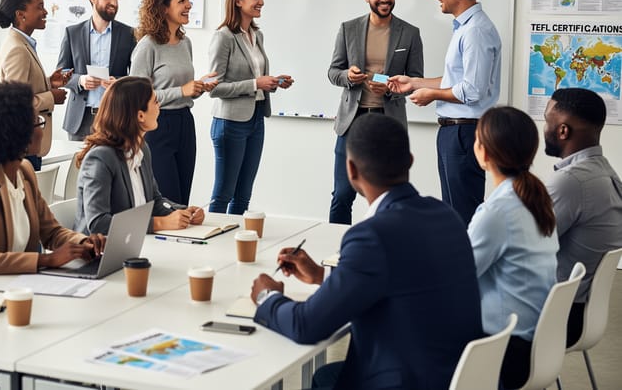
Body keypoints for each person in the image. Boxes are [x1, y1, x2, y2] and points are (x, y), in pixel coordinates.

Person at [250, 113, 482, 390]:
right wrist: (323, 276)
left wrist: (267, 296)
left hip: (402, 380)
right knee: (325, 377)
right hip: (453, 375)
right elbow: (401, 279)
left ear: (351, 170)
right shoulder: (446, 215)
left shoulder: (371, 236)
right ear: (410, 161)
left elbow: (306, 326)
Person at [0, 81, 104, 275]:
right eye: (37, 121)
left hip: (19, 284)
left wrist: (84, 242)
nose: (42, 129)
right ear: (17, 132)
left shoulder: (24, 171)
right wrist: (46, 260)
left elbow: (51, 232)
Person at [388, 0, 501, 225]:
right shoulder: (465, 28)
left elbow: (471, 90)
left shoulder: (475, 31)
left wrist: (431, 95)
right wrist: (415, 83)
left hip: (464, 133)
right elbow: (456, 81)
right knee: (454, 214)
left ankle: (466, 254)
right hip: (455, 132)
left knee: (463, 216)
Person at [467, 106, 558, 389]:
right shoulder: (535, 199)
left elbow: (457, 277)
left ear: (484, 152)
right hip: (534, 342)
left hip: (504, 351)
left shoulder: (497, 211)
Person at [327, 0, 424, 224]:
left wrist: (391, 90)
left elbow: (416, 80)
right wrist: (349, 76)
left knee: (390, 195)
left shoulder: (410, 33)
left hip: (388, 121)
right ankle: (337, 245)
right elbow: (333, 72)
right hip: (352, 121)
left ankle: (389, 242)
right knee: (342, 194)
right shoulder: (348, 29)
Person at [74, 76, 205, 235]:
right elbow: (98, 223)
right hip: (101, 248)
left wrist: (183, 212)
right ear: (140, 116)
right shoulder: (101, 158)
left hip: (135, 242)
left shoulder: (142, 149)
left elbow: (155, 201)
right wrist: (160, 223)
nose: (159, 106)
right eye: (155, 102)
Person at [542, 88, 622, 347]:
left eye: (547, 120)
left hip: (557, 317)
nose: (544, 128)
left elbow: (524, 245)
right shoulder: (606, 173)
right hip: (582, 312)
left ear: (563, 131)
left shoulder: (572, 181)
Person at [207, 0, 293, 215]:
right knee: (223, 193)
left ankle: (235, 235)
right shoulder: (224, 36)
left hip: (256, 119)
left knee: (244, 194)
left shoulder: (256, 35)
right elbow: (214, 88)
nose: (261, 2)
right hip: (230, 123)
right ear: (238, 1)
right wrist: (256, 83)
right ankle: (214, 236)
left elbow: (255, 77)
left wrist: (272, 82)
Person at [130, 0, 217, 204]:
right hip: (158, 127)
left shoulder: (185, 42)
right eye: (181, 1)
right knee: (168, 201)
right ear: (163, 7)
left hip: (185, 123)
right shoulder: (147, 46)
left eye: (188, 0)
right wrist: (182, 91)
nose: (188, 5)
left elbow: (182, 89)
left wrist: (197, 87)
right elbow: (137, 97)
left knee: (183, 200)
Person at [0, 0, 69, 170]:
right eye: (40, 7)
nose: (45, 12)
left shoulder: (22, 43)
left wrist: (49, 82)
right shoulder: (17, 49)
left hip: (28, 143)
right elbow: (14, 103)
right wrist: (51, 97)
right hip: (23, 145)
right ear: (21, 15)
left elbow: (22, 89)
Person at [57, 0, 137, 140]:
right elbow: (61, 74)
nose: (114, 2)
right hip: (80, 120)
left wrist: (119, 83)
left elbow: (137, 76)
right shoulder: (72, 33)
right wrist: (80, 80)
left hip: (115, 117)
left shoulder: (128, 34)